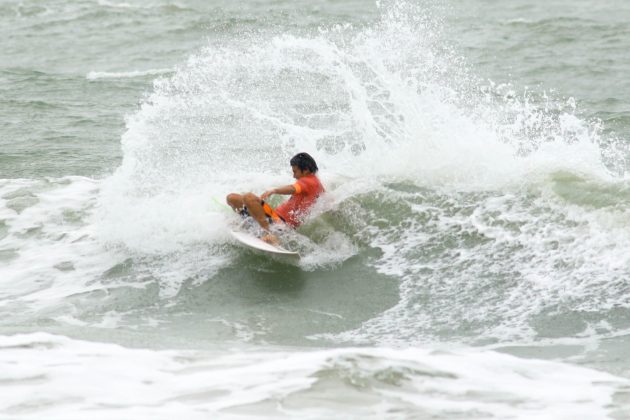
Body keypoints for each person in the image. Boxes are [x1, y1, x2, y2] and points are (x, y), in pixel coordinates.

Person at [226, 152, 325, 244]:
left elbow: (293, 188)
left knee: (248, 197)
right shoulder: (318, 185)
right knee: (232, 198)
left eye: (295, 171)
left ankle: (268, 233)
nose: (294, 176)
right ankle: (251, 225)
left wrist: (274, 190)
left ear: (306, 170)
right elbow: (328, 200)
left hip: (280, 224)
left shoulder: (308, 181)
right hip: (273, 217)